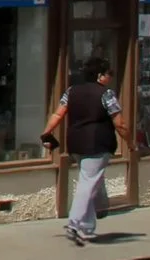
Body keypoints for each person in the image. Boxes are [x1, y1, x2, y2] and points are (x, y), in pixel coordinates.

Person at [43, 56, 127, 245]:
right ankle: (75, 223)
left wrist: (46, 133)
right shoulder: (106, 94)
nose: (110, 78)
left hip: (76, 143)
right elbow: (119, 123)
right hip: (97, 143)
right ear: (99, 76)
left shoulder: (71, 91)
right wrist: (130, 143)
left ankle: (87, 228)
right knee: (87, 183)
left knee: (89, 180)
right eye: (108, 74)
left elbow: (58, 113)